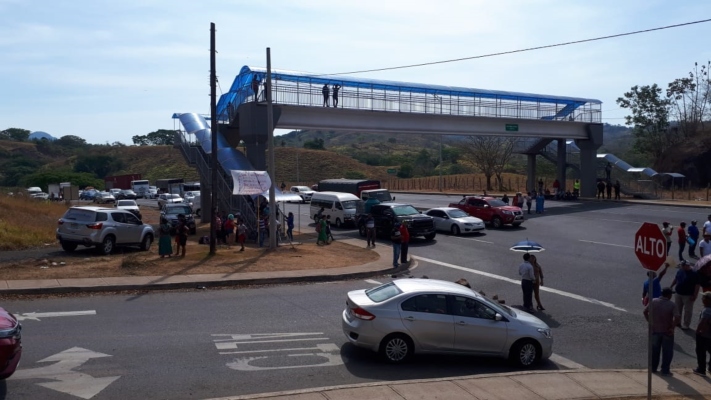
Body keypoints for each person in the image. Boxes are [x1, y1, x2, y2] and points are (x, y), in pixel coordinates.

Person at [643, 287, 679, 376]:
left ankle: (653, 368)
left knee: (655, 351)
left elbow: (645, 312)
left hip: (655, 329)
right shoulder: (672, 305)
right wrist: (672, 327)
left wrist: (650, 322)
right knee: (667, 352)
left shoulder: (653, 301)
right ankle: (665, 370)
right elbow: (677, 317)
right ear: (669, 295)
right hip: (667, 331)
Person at [671, 260, 699, 330]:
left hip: (688, 295)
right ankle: (678, 322)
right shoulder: (680, 270)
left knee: (688, 310)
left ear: (687, 266)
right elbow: (676, 278)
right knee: (677, 309)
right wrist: (671, 286)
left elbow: (697, 285)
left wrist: (695, 295)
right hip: (678, 293)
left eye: (682, 266)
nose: (681, 266)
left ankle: (686, 324)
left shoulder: (694, 274)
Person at [693, 292, 711, 376]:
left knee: (701, 351)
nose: (702, 300)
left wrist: (698, 331)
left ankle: (701, 369)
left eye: (703, 298)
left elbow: (703, 321)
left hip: (704, 335)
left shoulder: (707, 310)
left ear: (707, 300)